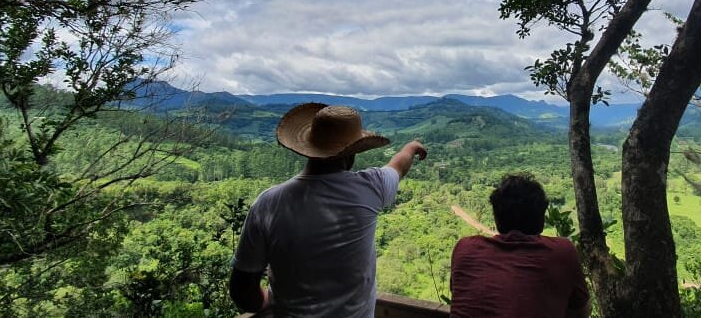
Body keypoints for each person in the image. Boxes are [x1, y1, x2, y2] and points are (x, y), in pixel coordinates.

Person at [229, 102, 427, 317]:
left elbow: (243, 292)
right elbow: (398, 166)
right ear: (352, 153)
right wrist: (412, 147)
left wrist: (267, 302)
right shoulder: (372, 187)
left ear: (308, 148)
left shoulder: (267, 204)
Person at [449, 173, 590, 318]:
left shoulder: (465, 249)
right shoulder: (562, 252)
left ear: (497, 219)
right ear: (541, 220)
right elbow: (581, 313)